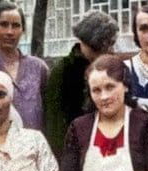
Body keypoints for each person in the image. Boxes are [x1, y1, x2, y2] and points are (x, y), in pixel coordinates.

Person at [44, 10, 118, 155]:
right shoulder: (63, 72)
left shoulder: (107, 68)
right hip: (75, 154)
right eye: (107, 43)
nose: (111, 49)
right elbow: (56, 126)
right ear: (96, 42)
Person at [0, 1, 51, 131]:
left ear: (22, 30)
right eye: (3, 25)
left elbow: (50, 112)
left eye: (16, 26)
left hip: (35, 146)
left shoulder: (38, 68)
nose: (10, 32)